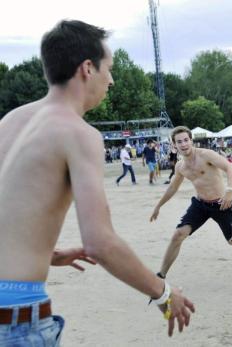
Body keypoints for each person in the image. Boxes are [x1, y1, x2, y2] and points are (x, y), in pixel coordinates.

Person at [0, 20, 194, 344]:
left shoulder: (10, 123)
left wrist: (44, 252)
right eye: (110, 68)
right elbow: (99, 242)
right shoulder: (79, 133)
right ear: (87, 68)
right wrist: (163, 293)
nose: (112, 80)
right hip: (16, 317)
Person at [150, 126, 232, 279]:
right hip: (200, 205)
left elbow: (229, 168)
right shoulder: (180, 166)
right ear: (174, 145)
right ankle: (161, 275)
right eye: (179, 142)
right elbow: (173, 187)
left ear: (191, 140)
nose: (184, 144)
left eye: (186, 140)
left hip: (222, 204)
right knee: (178, 235)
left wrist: (230, 190)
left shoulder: (206, 155)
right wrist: (158, 206)